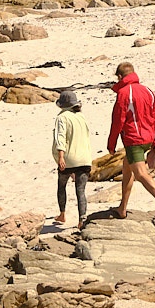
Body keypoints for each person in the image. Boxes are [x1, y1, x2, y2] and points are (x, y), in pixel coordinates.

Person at [108, 62, 155, 219]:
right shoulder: (147, 91)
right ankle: (122, 208)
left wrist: (111, 144)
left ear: (120, 77)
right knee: (127, 169)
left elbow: (117, 121)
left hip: (134, 139)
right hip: (148, 137)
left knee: (140, 173)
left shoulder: (123, 93)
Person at [50, 90, 95, 227]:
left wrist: (61, 157)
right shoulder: (81, 117)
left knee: (61, 185)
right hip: (85, 158)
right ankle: (82, 220)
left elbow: (60, 137)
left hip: (69, 158)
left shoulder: (62, 117)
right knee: (80, 190)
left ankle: (62, 214)